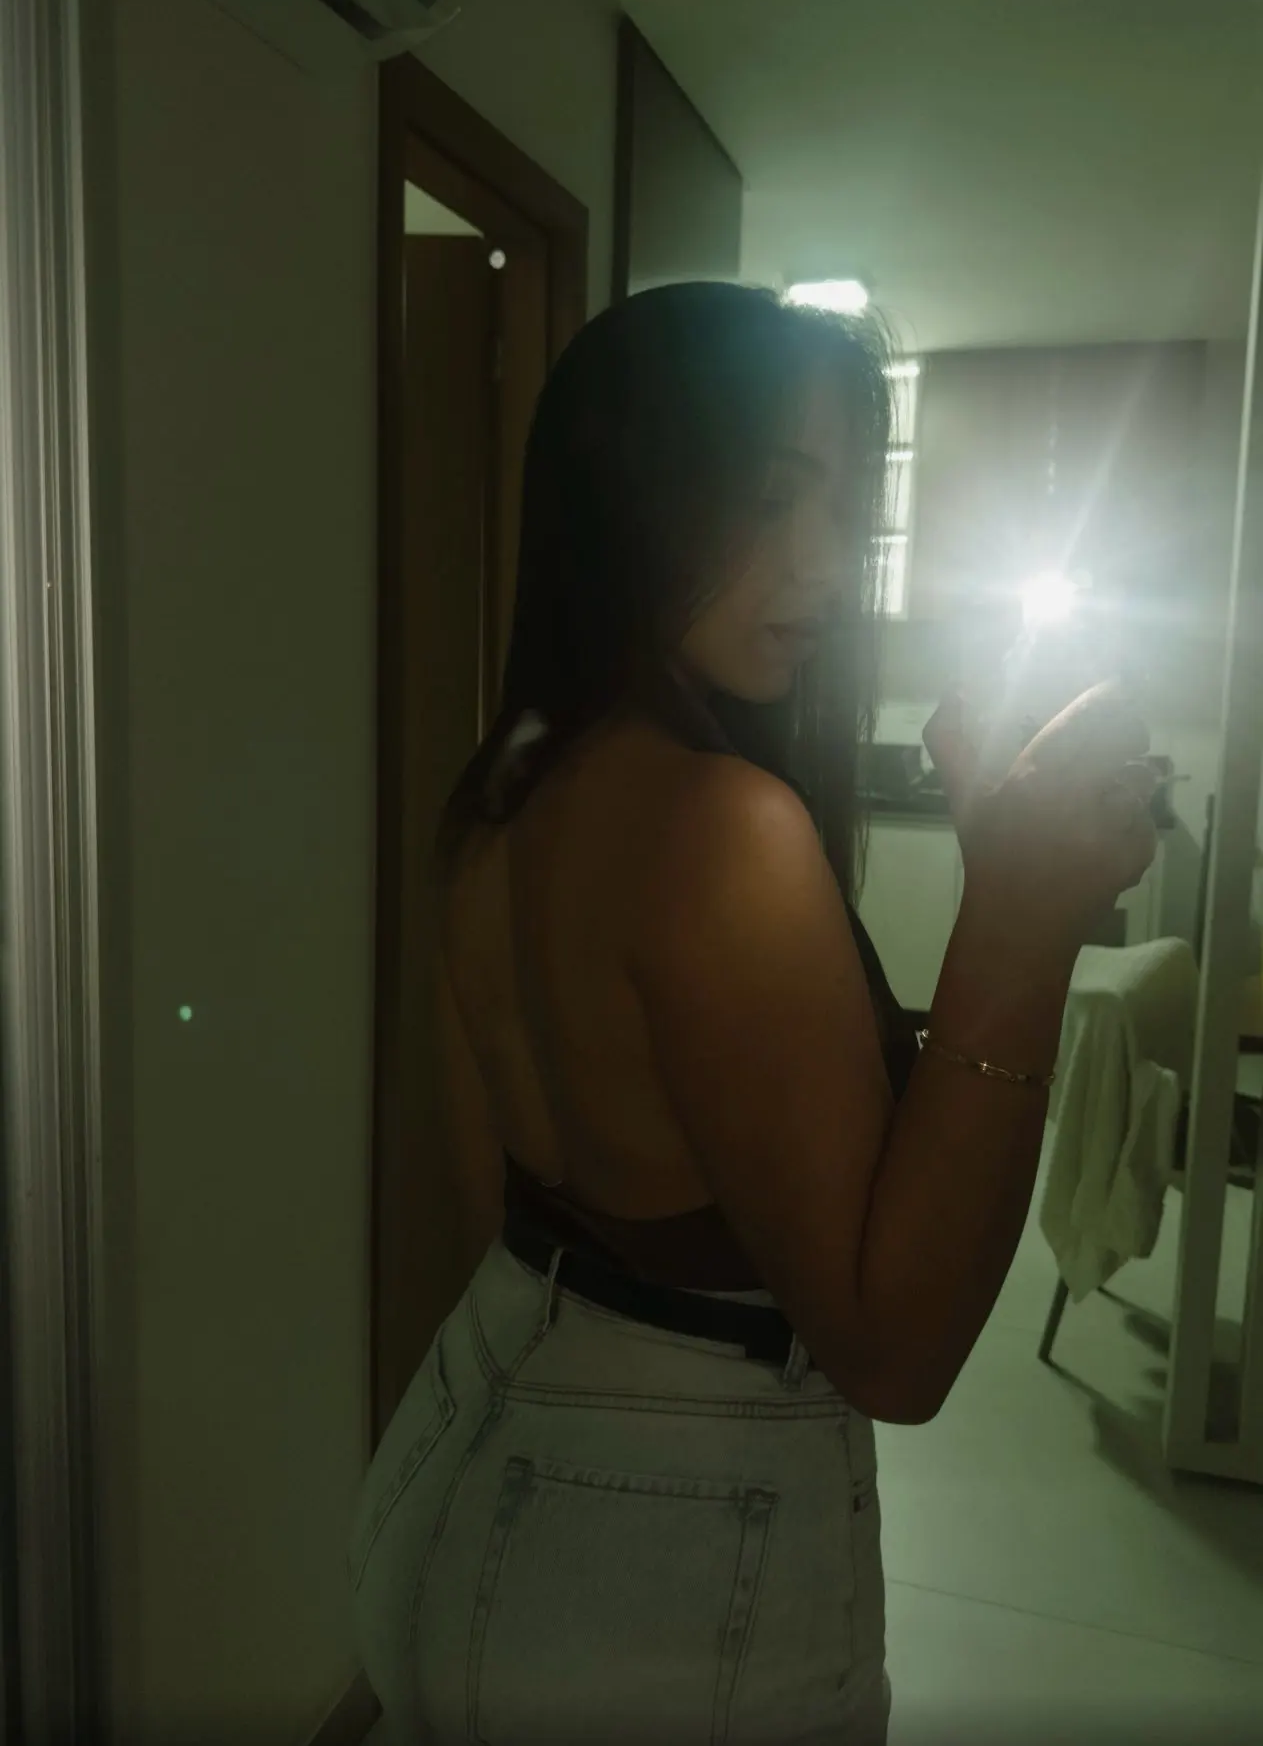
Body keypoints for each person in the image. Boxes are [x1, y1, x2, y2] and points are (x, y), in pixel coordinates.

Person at [348, 282, 1156, 1744]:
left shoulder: (501, 787)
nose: (824, 564)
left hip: (472, 1425)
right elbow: (896, 1354)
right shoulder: (725, 828)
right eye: (767, 500)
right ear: (630, 498)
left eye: (843, 506)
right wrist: (1023, 918)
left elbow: (493, 1197)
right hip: (655, 1543)